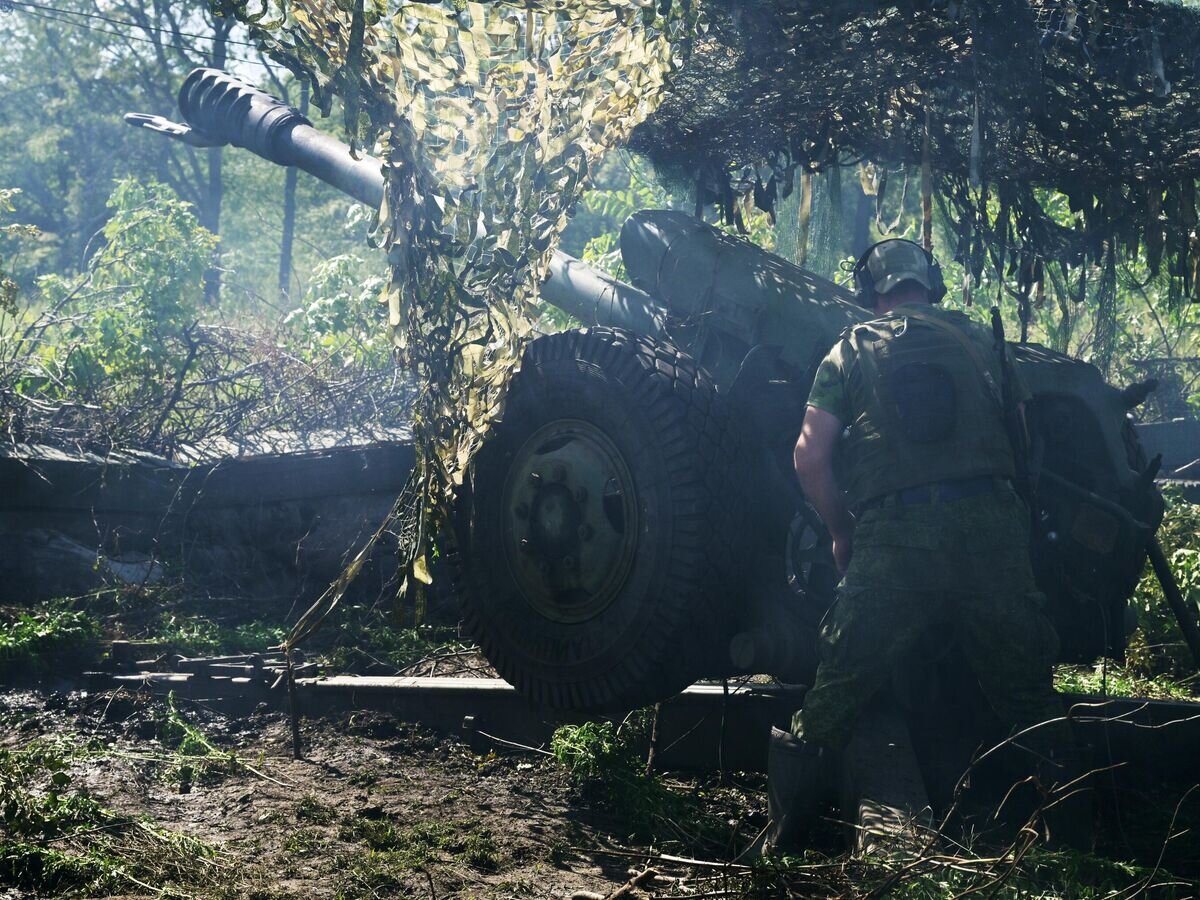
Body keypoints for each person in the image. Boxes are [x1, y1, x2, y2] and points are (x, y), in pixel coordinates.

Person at [764, 238, 1079, 854]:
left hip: (897, 538)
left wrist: (840, 529)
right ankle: (1075, 845)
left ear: (871, 292)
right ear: (929, 285)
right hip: (992, 529)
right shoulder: (985, 344)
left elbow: (808, 455)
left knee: (835, 694)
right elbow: (1020, 432)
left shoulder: (850, 349)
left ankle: (786, 842)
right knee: (1028, 695)